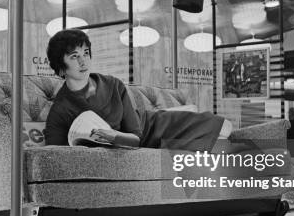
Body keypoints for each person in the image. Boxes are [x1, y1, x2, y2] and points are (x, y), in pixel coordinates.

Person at [44, 29, 228, 149]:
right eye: (74, 56)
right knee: (218, 140)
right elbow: (54, 153)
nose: (83, 61)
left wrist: (117, 136)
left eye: (85, 53)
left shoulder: (112, 84)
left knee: (225, 127)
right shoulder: (60, 109)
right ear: (61, 66)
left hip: (149, 126)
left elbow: (136, 135)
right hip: (129, 144)